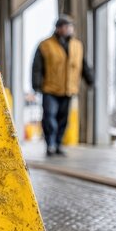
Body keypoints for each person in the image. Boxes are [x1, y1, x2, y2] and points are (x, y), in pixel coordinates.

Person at [32, 15, 94, 156]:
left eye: (70, 26)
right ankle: (50, 144)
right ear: (58, 29)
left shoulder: (77, 46)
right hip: (50, 88)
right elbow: (37, 66)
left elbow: (83, 65)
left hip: (68, 89)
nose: (68, 29)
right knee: (50, 117)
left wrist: (90, 79)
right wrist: (36, 84)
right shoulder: (45, 45)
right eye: (65, 26)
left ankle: (58, 144)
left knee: (63, 119)